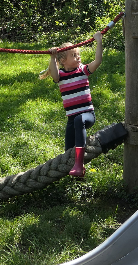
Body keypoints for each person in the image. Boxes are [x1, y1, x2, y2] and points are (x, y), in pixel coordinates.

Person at [39, 31, 104, 178]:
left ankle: (79, 164)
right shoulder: (61, 76)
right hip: (71, 119)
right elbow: (54, 74)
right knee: (68, 149)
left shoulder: (83, 70)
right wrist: (52, 56)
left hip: (87, 115)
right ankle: (74, 174)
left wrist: (99, 42)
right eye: (74, 55)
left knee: (79, 120)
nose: (78, 57)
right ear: (63, 61)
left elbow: (98, 61)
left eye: (78, 54)